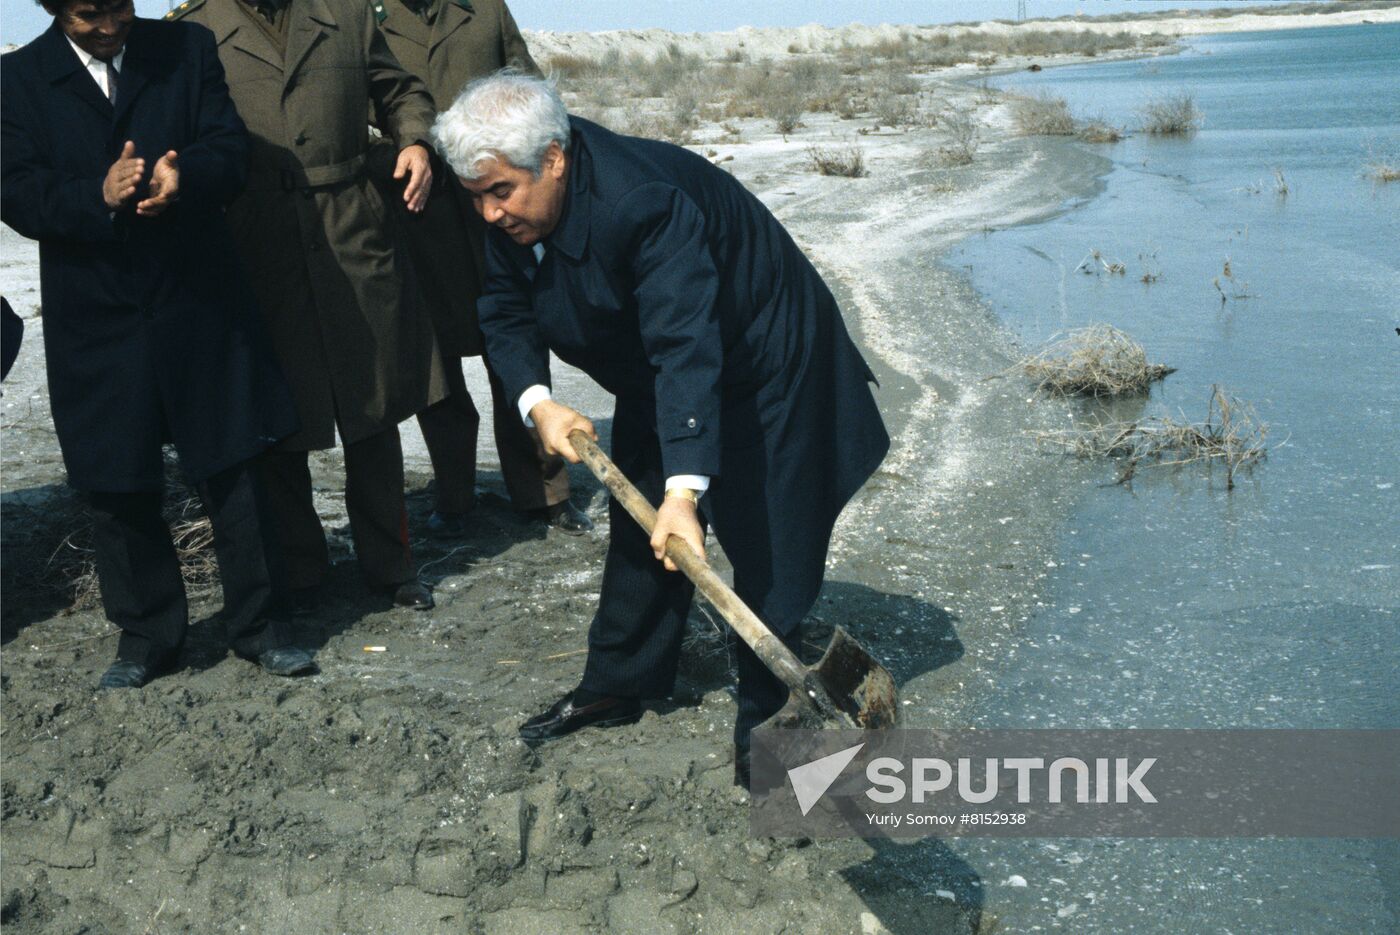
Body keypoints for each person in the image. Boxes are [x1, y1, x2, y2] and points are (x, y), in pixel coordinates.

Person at [431, 74, 890, 786]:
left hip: (763, 359)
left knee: (767, 539)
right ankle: (621, 680)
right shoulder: (513, 198)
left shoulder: (639, 202)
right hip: (659, 362)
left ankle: (770, 737)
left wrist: (685, 491)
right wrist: (536, 401)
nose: (488, 213)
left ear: (554, 159)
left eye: (500, 193)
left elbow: (686, 346)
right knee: (641, 518)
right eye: (476, 196)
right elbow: (503, 306)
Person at [1, 0, 314, 687]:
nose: (112, 26)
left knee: (234, 461)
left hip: (199, 299)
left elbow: (230, 148)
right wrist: (96, 196)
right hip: (97, 313)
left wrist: (185, 177)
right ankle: (148, 637)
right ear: (54, 10)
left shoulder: (187, 49)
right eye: (89, 15)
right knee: (117, 479)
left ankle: (263, 626)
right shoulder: (16, 80)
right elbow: (17, 192)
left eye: (120, 6)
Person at [170, 0, 445, 613]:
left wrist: (418, 141)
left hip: (351, 226)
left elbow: (401, 90)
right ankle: (299, 570)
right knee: (279, 413)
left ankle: (391, 566)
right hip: (256, 236)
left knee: (372, 408)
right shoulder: (193, 28)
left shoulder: (345, 11)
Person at [374, 0, 590, 537]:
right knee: (437, 364)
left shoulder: (485, 9)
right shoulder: (363, 15)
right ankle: (454, 495)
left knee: (514, 343)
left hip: (496, 213)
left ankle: (543, 490)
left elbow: (531, 89)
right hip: (417, 215)